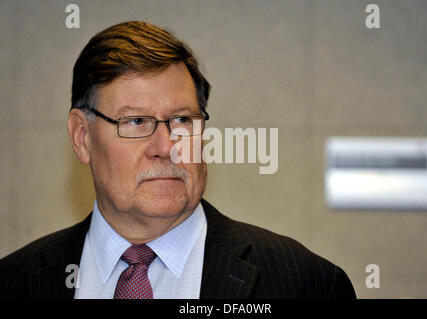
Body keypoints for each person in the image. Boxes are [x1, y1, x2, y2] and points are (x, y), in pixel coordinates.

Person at [0, 21, 356, 299]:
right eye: (136, 122)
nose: (168, 145)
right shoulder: (14, 282)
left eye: (183, 120)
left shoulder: (307, 284)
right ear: (82, 137)